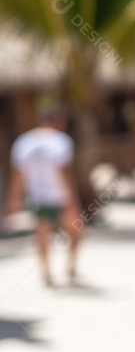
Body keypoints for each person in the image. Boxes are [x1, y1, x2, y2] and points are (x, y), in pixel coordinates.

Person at [5, 107, 82, 287]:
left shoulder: (23, 141)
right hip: (60, 195)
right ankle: (70, 268)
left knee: (42, 235)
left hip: (37, 196)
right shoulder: (61, 141)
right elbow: (64, 172)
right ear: (58, 121)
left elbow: (17, 175)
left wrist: (13, 200)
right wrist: (73, 199)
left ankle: (46, 272)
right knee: (77, 231)